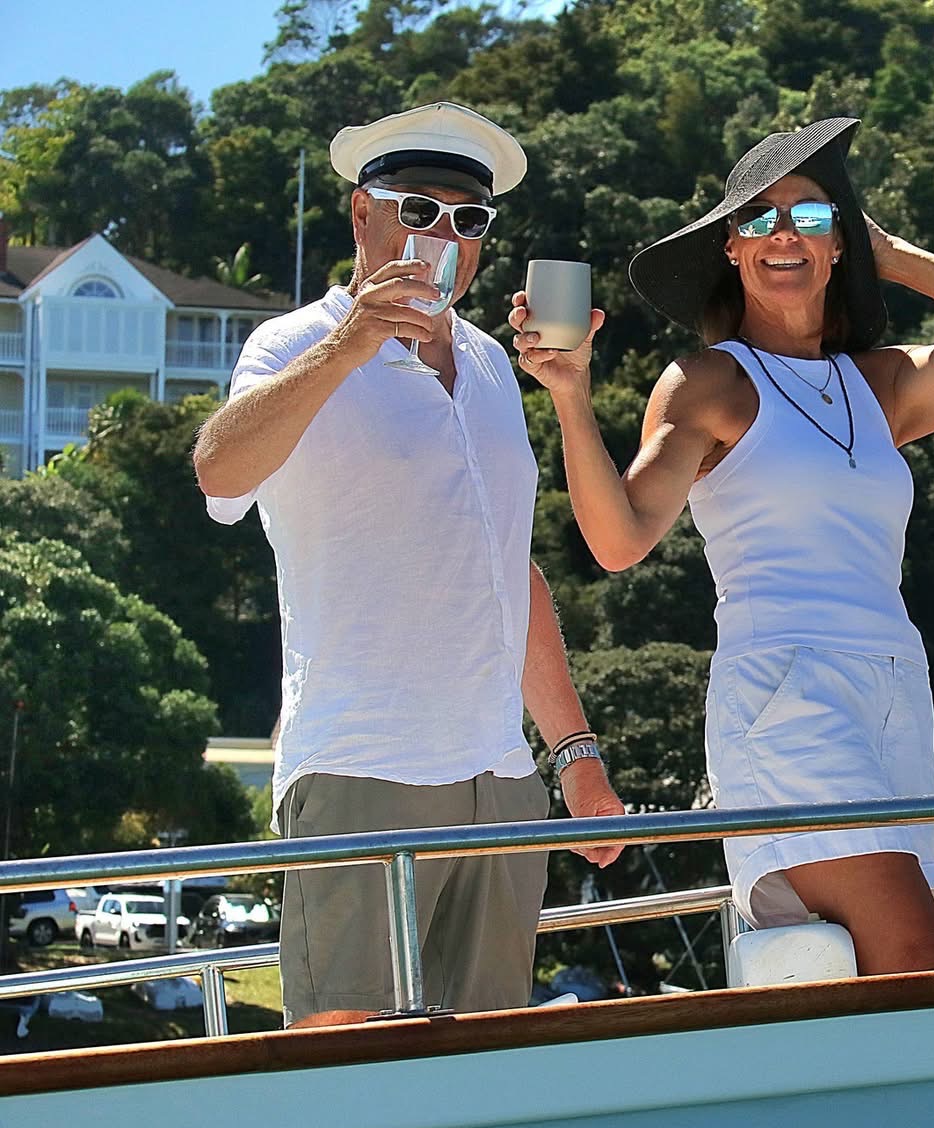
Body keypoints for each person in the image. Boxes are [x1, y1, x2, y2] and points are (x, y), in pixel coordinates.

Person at [509, 117, 934, 974]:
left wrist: (890, 253)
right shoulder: (709, 381)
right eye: (758, 219)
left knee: (881, 974)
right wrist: (571, 396)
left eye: (809, 217)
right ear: (729, 248)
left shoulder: (878, 382)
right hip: (785, 689)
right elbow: (619, 540)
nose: (783, 235)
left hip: (893, 688)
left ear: (840, 244)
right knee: (916, 957)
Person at [192, 102, 626, 1026]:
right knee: (340, 1060)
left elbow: (509, 574)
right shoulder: (291, 344)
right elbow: (219, 472)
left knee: (483, 1060)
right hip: (360, 762)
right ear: (363, 215)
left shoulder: (495, 366)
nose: (443, 238)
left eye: (469, 221)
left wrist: (575, 754)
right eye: (418, 212)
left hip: (500, 776)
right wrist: (350, 343)